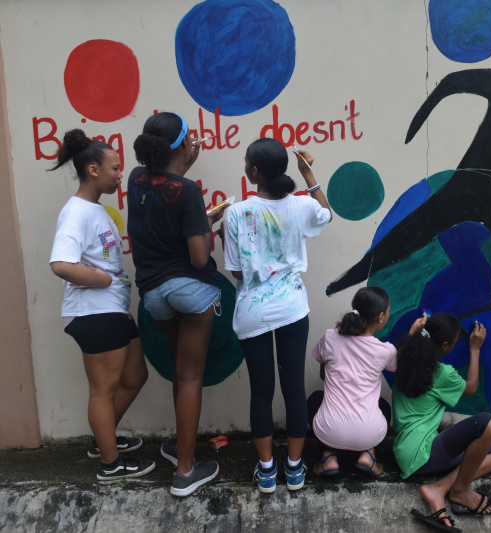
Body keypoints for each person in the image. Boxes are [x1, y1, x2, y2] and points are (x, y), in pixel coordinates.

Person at [127, 112, 227, 497]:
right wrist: (209, 222)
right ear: (183, 144)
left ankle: (178, 446)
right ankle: (186, 471)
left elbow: (164, 183)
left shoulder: (136, 180)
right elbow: (199, 258)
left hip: (155, 293)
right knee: (190, 376)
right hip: (191, 289)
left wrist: (185, 162)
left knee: (180, 370)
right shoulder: (187, 191)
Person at [223, 138, 331, 493]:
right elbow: (326, 213)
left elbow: (238, 274)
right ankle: (296, 469)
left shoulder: (236, 213)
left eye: (245, 161)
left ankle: (267, 471)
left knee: (261, 391)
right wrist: (308, 173)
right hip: (291, 309)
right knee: (294, 390)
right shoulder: (300, 207)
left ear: (254, 171)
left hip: (252, 311)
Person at [49, 129, 153, 481]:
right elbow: (61, 263)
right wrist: (106, 280)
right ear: (93, 170)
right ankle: (110, 464)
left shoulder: (96, 209)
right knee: (103, 391)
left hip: (111, 310)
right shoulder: (76, 212)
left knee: (136, 375)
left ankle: (103, 439)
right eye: (114, 168)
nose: (119, 174)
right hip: (93, 312)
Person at [393, 313, 491, 532]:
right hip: (423, 453)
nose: (457, 346)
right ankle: (460, 490)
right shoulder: (442, 373)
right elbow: (471, 387)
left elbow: (408, 344)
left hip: (406, 451)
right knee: (487, 423)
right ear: (445, 345)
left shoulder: (402, 357)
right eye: (455, 343)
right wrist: (474, 349)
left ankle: (439, 488)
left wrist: (413, 332)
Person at [307, 286, 413, 478]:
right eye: (388, 310)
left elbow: (324, 376)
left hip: (330, 431)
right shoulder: (385, 351)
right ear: (380, 317)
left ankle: (328, 457)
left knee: (315, 399)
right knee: (383, 406)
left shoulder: (330, 337)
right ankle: (368, 454)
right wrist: (412, 334)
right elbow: (398, 366)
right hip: (369, 433)